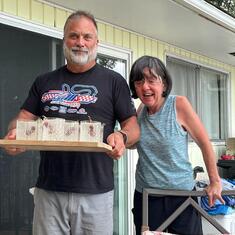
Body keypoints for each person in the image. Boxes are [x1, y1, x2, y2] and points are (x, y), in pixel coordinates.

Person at [4, 10, 140, 235]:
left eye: (87, 37)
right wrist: (14, 134)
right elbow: (23, 120)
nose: (80, 43)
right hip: (49, 191)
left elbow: (133, 127)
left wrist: (122, 136)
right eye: (73, 36)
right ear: (64, 40)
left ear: (97, 42)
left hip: (96, 192)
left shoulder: (113, 82)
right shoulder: (44, 81)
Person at [129, 55, 224, 235]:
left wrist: (215, 181)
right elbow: (133, 144)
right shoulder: (140, 111)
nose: (145, 87)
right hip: (147, 197)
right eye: (139, 81)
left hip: (182, 198)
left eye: (151, 80)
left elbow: (204, 143)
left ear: (163, 83)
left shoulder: (178, 105)